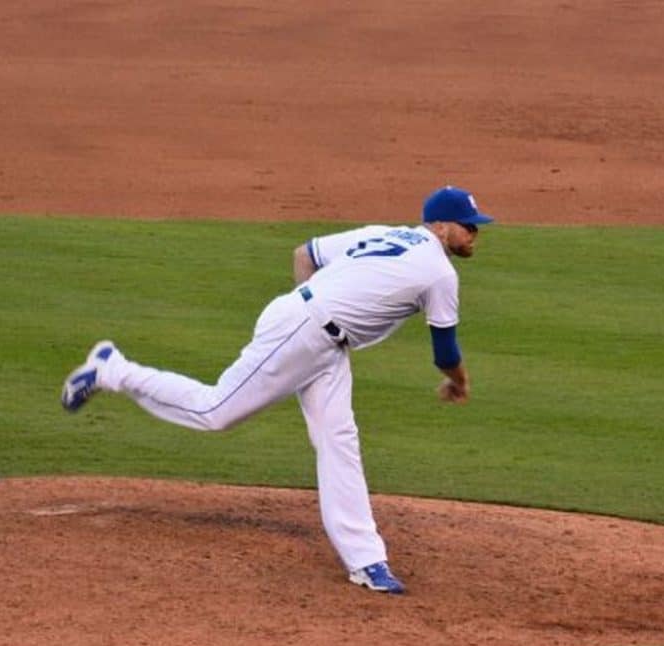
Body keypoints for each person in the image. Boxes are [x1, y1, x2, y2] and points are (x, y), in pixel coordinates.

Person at [60, 185, 493, 595]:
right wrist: (460, 383)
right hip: (305, 333)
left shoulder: (385, 233)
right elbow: (445, 351)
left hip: (320, 340)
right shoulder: (439, 271)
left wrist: (307, 307)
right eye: (467, 224)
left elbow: (305, 254)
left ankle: (366, 560)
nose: (474, 232)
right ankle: (112, 369)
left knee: (339, 441)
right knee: (216, 412)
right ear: (440, 226)